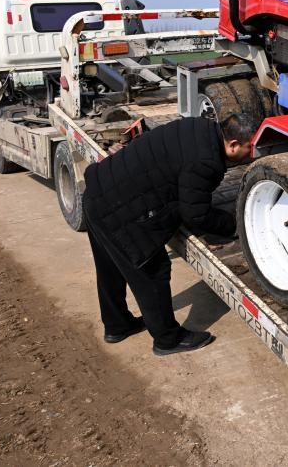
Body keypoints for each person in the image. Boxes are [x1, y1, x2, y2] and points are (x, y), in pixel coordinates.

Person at [82, 113, 254, 356]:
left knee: (109, 268)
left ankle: (117, 325)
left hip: (98, 191)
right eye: (250, 148)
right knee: (153, 271)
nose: (253, 154)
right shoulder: (207, 161)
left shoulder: (199, 126)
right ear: (233, 145)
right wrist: (235, 225)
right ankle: (167, 339)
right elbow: (196, 214)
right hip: (118, 209)